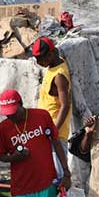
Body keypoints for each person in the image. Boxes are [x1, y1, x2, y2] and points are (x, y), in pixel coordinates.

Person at [0, 89, 72, 197]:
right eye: (7, 114)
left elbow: (56, 143)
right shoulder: (3, 128)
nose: (10, 117)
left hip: (44, 185)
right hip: (19, 189)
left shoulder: (42, 116)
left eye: (13, 113)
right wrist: (14, 158)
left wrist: (66, 172)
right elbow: (1, 156)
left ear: (21, 104)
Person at [32, 36, 74, 183]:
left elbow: (65, 105)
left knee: (58, 179)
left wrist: (53, 131)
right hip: (47, 133)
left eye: (40, 59)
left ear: (50, 55)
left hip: (55, 135)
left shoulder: (59, 76)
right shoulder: (53, 67)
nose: (38, 63)